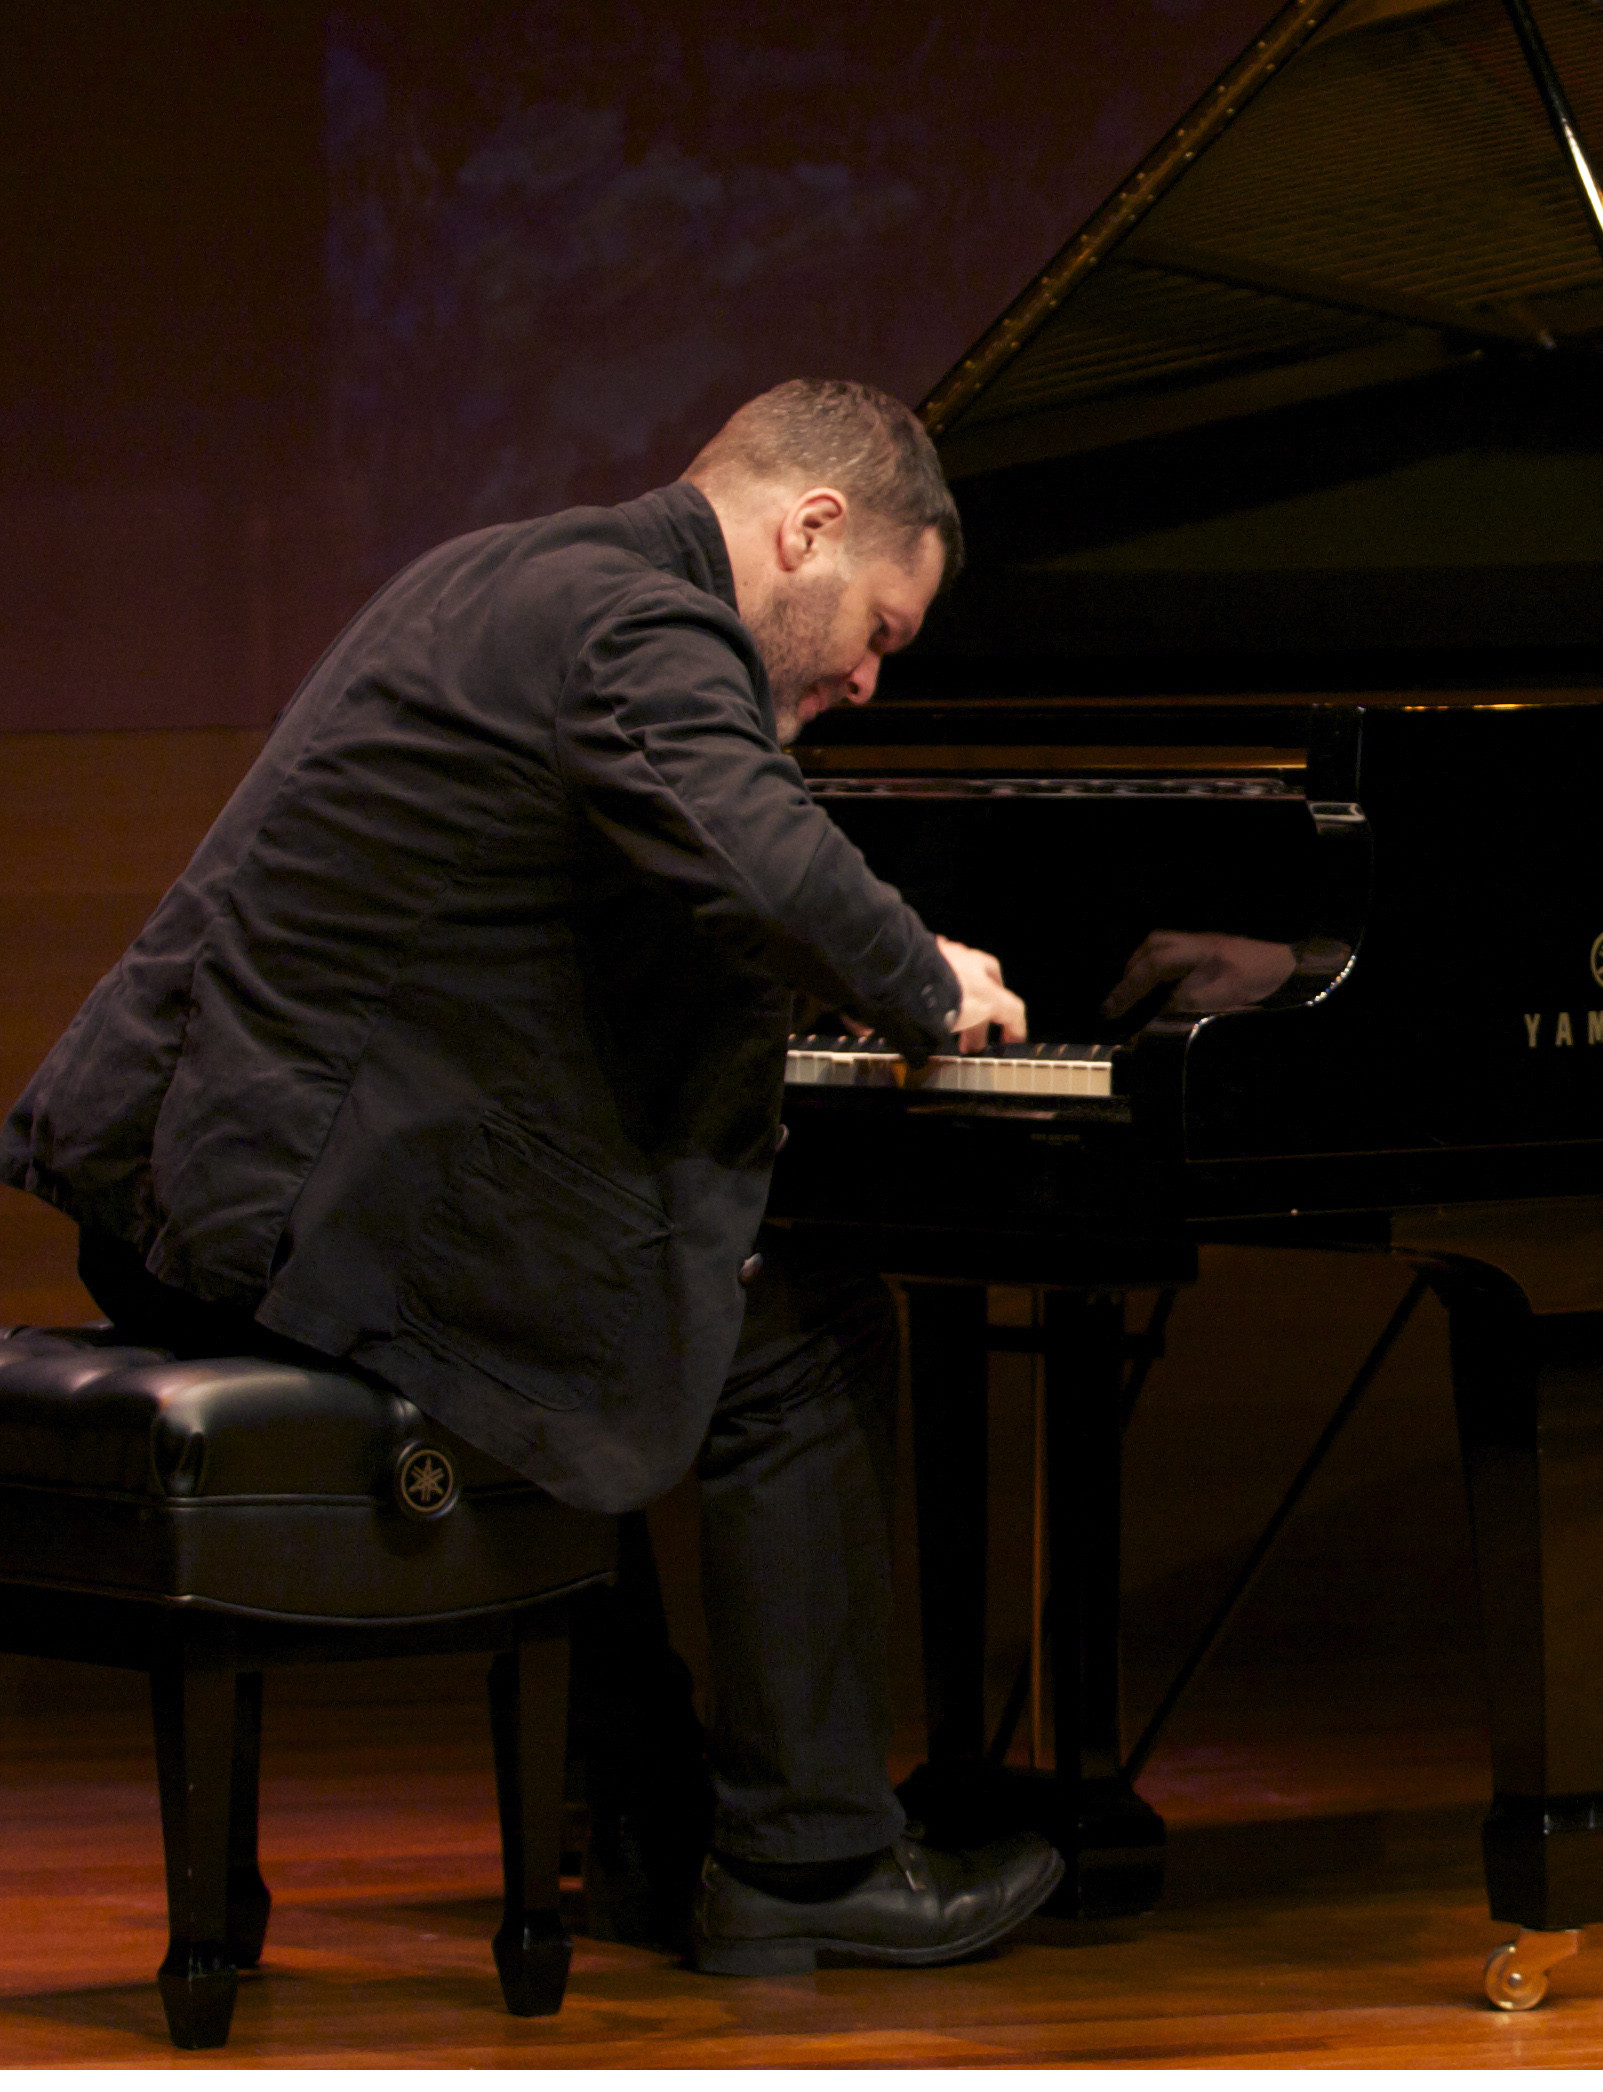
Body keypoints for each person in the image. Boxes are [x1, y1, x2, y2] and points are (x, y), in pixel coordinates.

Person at [3, 378, 1068, 1976]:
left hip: (178, 1183)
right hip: (273, 1220)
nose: (864, 674)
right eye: (881, 632)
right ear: (810, 526)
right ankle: (809, 1856)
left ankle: (652, 1823)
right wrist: (924, 974)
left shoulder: (507, 567)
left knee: (648, 1290)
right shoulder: (644, 623)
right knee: (793, 1325)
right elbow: (759, 857)